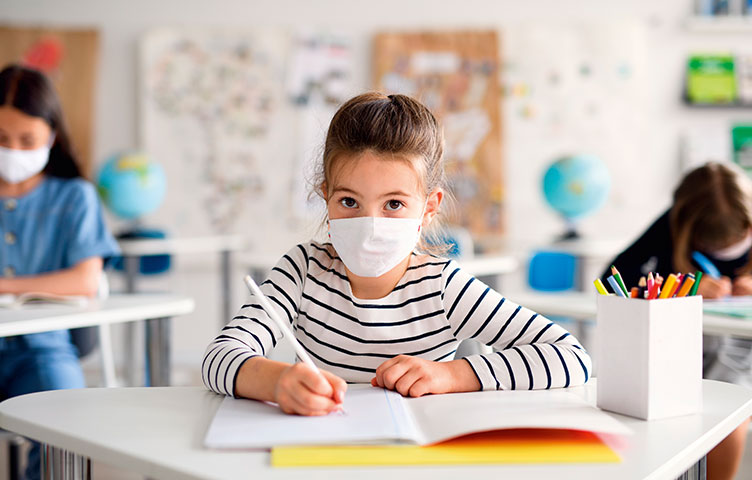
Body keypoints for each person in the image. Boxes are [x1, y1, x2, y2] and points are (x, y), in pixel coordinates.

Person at [202, 92, 591, 416]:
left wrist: (450, 376)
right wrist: (278, 380)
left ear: (429, 206)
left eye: (393, 204)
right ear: (326, 197)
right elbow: (219, 357)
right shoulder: (302, 270)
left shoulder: (442, 286)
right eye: (349, 201)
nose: (370, 223)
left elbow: (572, 358)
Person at [0, 65, 118, 480]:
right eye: (0, 138)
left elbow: (84, 280)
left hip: (44, 348)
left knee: (65, 427)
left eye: (27, 140)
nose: (12, 150)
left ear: (52, 136)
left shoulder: (75, 197)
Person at [603, 161, 752, 480]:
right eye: (711, 247)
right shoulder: (669, 225)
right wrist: (686, 282)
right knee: (666, 409)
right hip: (684, 352)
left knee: (726, 412)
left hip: (741, 356)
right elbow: (614, 276)